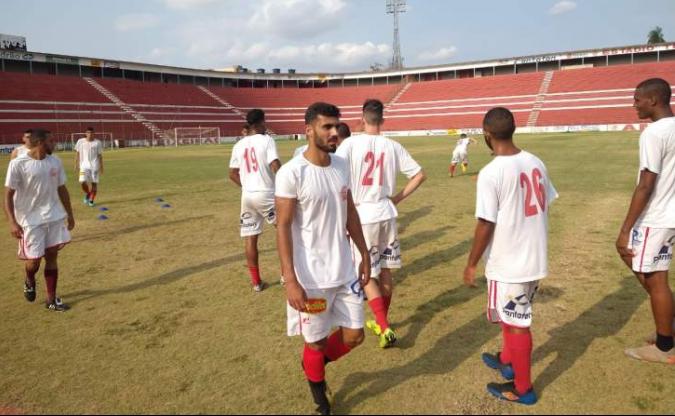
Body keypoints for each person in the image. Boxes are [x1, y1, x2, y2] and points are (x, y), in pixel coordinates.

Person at [276, 102, 371, 415]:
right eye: (326, 127)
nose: (334, 132)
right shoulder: (292, 173)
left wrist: (365, 254)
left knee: (355, 336)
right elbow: (284, 227)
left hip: (344, 271)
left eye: (336, 126)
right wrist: (290, 280)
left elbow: (351, 211)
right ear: (308, 130)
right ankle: (320, 399)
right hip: (311, 278)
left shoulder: (342, 165)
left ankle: (313, 364)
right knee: (315, 342)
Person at [463, 107, 558, 405]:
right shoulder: (535, 161)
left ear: (486, 134)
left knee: (518, 323)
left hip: (511, 260)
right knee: (512, 315)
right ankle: (508, 360)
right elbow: (546, 201)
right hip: (533, 254)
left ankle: (523, 389)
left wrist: (471, 262)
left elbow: (485, 223)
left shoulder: (492, 173)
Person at [336, 99, 426, 348]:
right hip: (387, 212)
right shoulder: (393, 145)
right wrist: (397, 198)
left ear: (362, 118)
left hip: (363, 215)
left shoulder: (350, 144)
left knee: (366, 273)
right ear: (382, 120)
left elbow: (336, 177)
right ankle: (382, 321)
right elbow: (420, 175)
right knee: (385, 269)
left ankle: (383, 327)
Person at [616, 78, 675, 364]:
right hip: (669, 214)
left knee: (655, 279)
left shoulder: (654, 134)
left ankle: (665, 346)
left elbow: (646, 184)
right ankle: (667, 327)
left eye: (637, 99)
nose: (634, 104)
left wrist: (626, 228)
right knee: (650, 272)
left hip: (657, 215)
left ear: (653, 100)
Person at [4, 129, 76, 311]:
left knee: (52, 257)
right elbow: (7, 195)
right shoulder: (18, 164)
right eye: (51, 141)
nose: (55, 144)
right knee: (34, 261)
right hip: (30, 220)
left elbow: (62, 189)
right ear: (40, 143)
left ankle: (51, 300)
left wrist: (70, 213)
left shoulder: (55, 161)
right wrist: (12, 221)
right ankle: (29, 279)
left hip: (53, 216)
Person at [229, 109, 281, 292]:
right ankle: (286, 275)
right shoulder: (267, 140)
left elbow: (232, 174)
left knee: (250, 238)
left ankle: (256, 283)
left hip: (247, 196)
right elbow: (275, 166)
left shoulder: (238, 145)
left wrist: (247, 186)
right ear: (260, 122)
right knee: (284, 230)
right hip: (266, 193)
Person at [75, 127, 104, 207]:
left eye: (92, 133)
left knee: (94, 183)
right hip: (83, 166)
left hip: (94, 166)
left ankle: (91, 200)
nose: (90, 134)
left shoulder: (98, 142)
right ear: (86, 133)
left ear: (94, 134)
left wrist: (101, 167)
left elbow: (100, 155)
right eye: (88, 133)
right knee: (82, 182)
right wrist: (76, 164)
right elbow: (77, 153)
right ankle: (88, 194)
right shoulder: (80, 141)